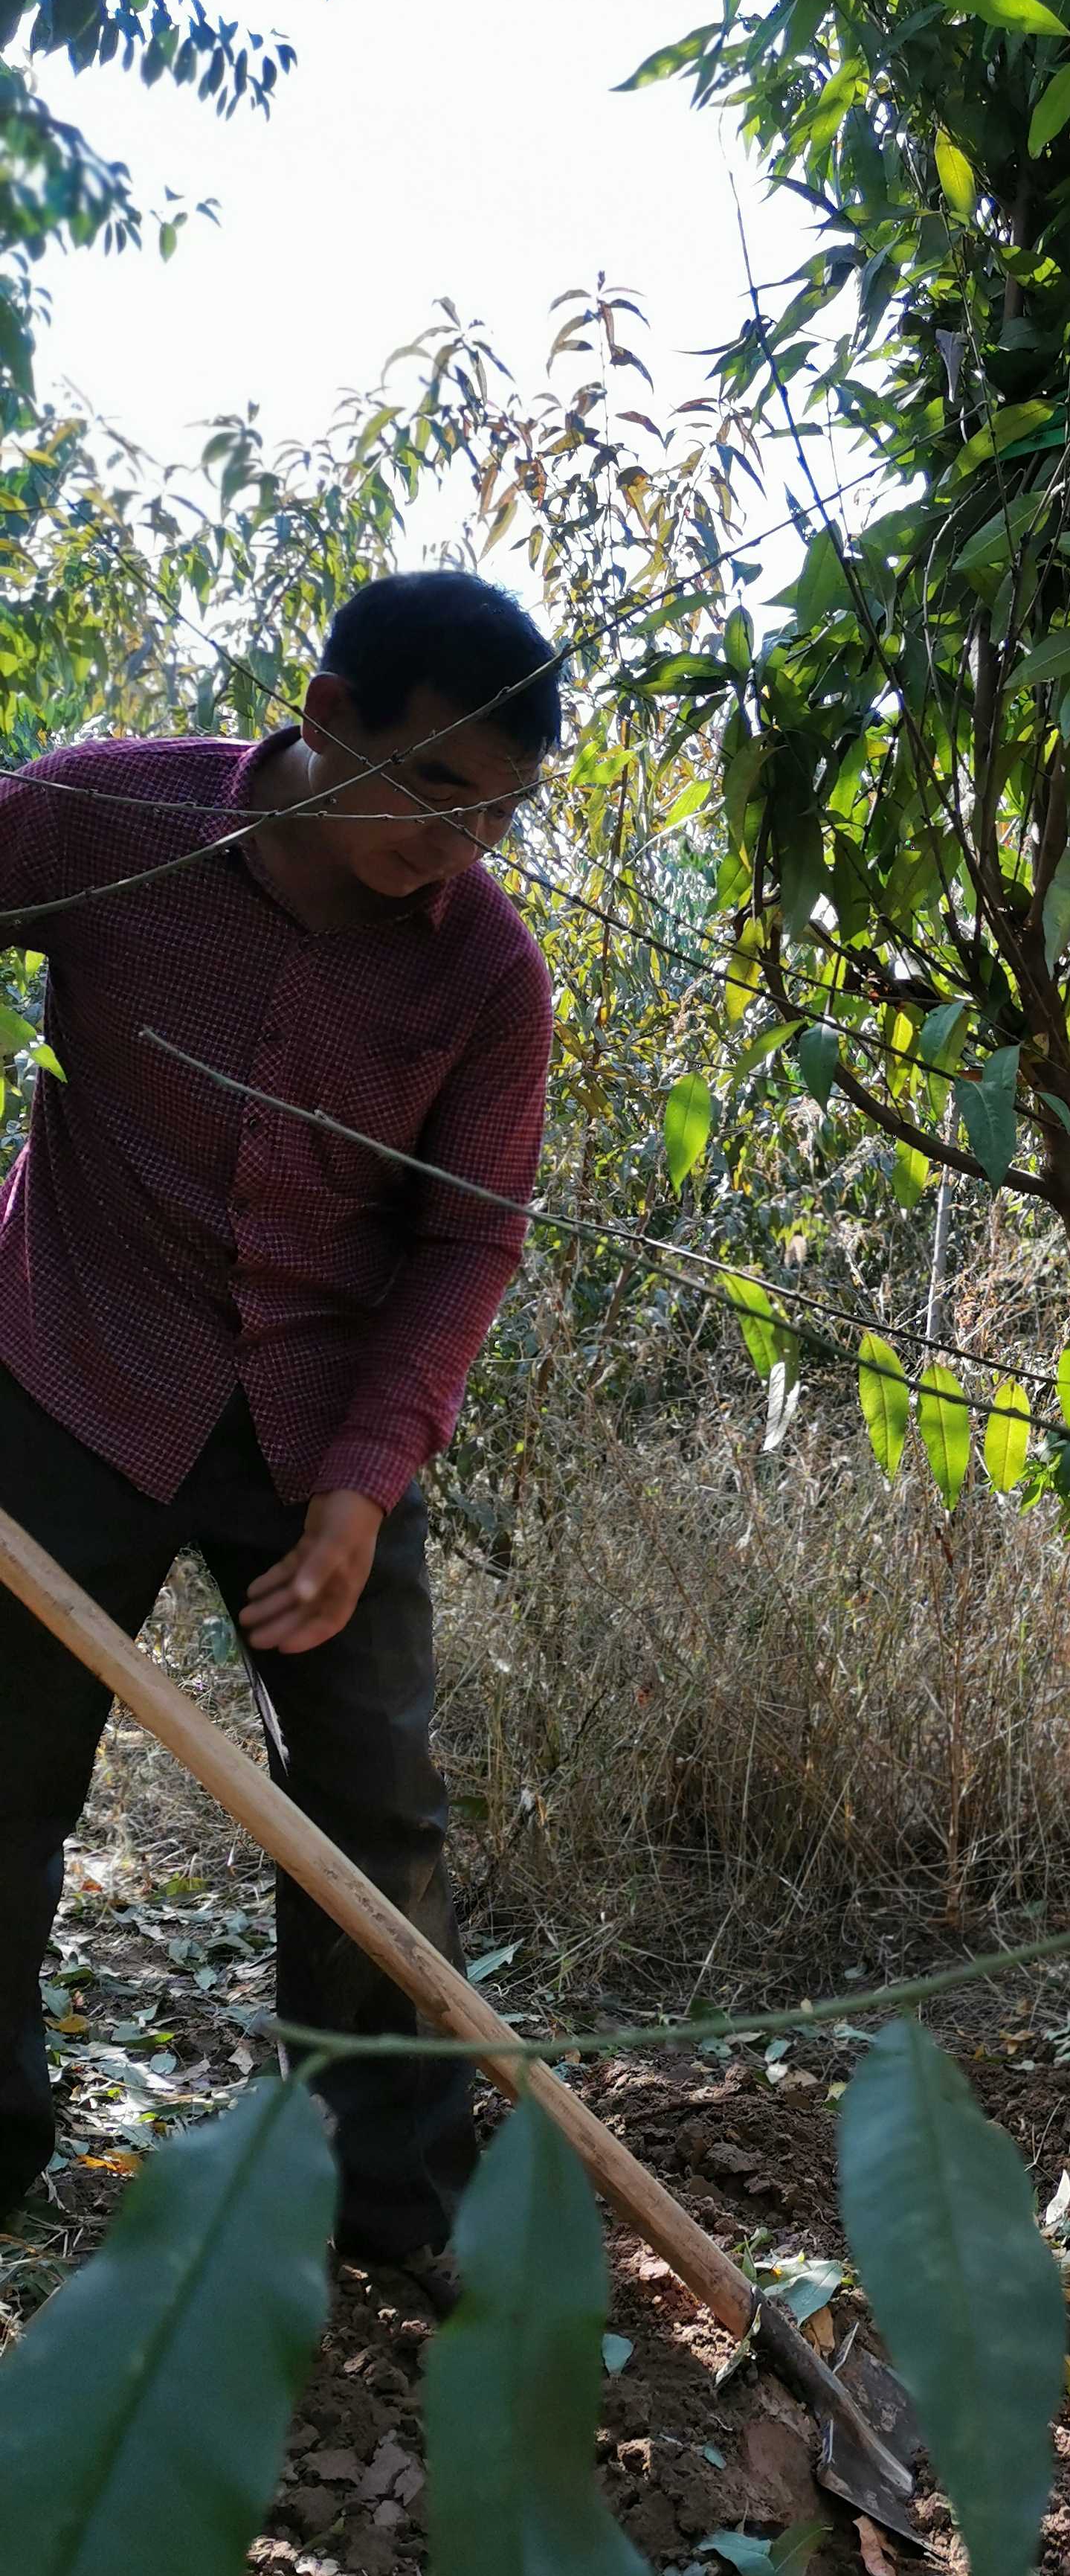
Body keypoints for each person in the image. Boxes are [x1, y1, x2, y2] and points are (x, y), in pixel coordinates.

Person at [0, 568, 558, 2289]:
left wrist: (364, 1486)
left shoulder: (486, 979)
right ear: (326, 720)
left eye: (501, 817)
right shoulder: (108, 819)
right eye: (434, 793)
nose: (459, 846)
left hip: (320, 1416)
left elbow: (469, 1237)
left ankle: (390, 2204)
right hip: (67, 1361)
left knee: (374, 1811)